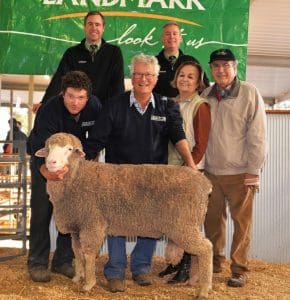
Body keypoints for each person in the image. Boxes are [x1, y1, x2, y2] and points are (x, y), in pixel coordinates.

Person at [85, 53, 197, 293]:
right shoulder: (114, 105)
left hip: (154, 180)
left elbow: (178, 136)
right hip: (117, 181)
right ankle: (115, 270)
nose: (143, 79)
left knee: (152, 222)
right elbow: (96, 140)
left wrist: (190, 164)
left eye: (148, 75)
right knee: (114, 224)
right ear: (131, 77)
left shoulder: (168, 106)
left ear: (156, 79)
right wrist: (80, 167)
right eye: (138, 74)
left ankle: (141, 267)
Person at [26, 71, 102, 282]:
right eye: (70, 96)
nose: (75, 102)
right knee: (42, 208)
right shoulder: (49, 110)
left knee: (71, 212)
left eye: (81, 97)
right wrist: (46, 172)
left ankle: (62, 261)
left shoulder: (95, 107)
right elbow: (39, 144)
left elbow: (96, 139)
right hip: (46, 160)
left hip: (73, 166)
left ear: (88, 97)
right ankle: (37, 262)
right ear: (62, 94)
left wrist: (80, 163)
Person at [202, 48, 267, 287]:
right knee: (211, 221)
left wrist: (254, 169)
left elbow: (258, 134)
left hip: (240, 172)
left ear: (235, 67)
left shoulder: (250, 93)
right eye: (216, 66)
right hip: (210, 171)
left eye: (226, 65)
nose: (221, 70)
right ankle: (214, 262)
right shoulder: (206, 94)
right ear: (211, 69)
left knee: (242, 222)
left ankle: (239, 269)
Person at [158, 61, 211, 283]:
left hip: (189, 173)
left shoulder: (201, 106)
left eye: (191, 77)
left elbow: (201, 145)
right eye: (182, 75)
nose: (185, 80)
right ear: (175, 78)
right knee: (174, 220)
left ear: (198, 82)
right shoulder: (169, 104)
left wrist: (187, 171)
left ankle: (188, 267)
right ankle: (177, 263)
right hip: (170, 172)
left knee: (187, 221)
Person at [33, 11, 124, 112]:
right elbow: (59, 79)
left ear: (103, 28)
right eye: (90, 24)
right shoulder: (72, 53)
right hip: (78, 112)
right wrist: (45, 103)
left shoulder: (114, 52)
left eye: (97, 24)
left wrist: (118, 110)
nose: (94, 28)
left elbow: (118, 84)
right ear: (84, 27)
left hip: (104, 111)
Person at [153, 22, 209, 98]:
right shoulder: (153, 62)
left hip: (186, 107)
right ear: (162, 38)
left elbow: (204, 86)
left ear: (180, 38)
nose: (171, 37)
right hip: (161, 108)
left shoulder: (191, 61)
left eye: (175, 33)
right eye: (167, 34)